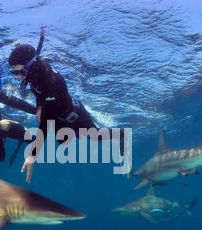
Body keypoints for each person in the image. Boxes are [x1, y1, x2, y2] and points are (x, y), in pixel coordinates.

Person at [8, 43, 126, 183]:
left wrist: (32, 156)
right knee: (63, 140)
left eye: (17, 71)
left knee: (94, 136)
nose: (17, 76)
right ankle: (75, 132)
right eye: (13, 72)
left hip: (73, 113)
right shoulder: (35, 73)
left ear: (29, 65)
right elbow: (40, 94)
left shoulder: (49, 80)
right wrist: (39, 107)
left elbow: (46, 123)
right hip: (58, 114)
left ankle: (121, 134)